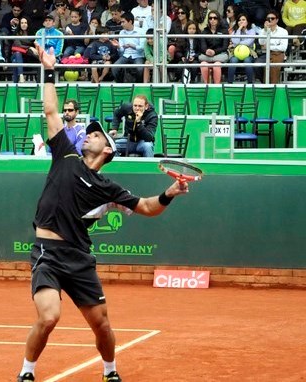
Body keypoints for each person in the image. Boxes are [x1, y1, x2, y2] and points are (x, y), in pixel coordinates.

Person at [17, 43, 190, 382]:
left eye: (94, 134)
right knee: (49, 317)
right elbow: (51, 112)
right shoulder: (65, 155)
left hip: (79, 258)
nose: (87, 135)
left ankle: (110, 371)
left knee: (102, 323)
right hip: (48, 254)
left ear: (107, 149)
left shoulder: (107, 186)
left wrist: (169, 193)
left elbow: (144, 207)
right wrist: (48, 70)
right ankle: (27, 371)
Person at [256, 10, 289, 84]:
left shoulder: (283, 31)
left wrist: (268, 47)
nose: (270, 20)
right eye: (268, 18)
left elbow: (283, 47)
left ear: (277, 20)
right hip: (265, 54)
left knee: (273, 66)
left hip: (278, 54)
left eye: (272, 18)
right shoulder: (263, 30)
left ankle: (273, 85)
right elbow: (261, 42)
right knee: (257, 65)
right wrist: (265, 30)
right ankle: (265, 83)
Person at [112, 12, 145, 83]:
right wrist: (118, 46)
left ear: (130, 21)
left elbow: (142, 48)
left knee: (140, 68)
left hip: (138, 56)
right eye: (121, 22)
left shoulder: (141, 31)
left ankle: (138, 84)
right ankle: (120, 84)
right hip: (125, 55)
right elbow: (121, 50)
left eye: (123, 22)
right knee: (114, 67)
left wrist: (132, 46)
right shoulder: (121, 32)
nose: (121, 24)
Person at [198, 10, 228, 84]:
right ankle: (206, 85)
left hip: (220, 54)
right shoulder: (204, 31)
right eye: (210, 18)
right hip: (207, 55)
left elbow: (224, 47)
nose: (212, 20)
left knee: (216, 65)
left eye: (215, 18)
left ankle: (216, 87)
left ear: (218, 19)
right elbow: (202, 47)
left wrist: (215, 52)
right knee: (203, 64)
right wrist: (206, 51)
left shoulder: (224, 31)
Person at [227, 13, 257, 84]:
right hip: (236, 53)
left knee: (247, 61)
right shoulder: (235, 32)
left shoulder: (252, 31)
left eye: (243, 20)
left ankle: (250, 83)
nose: (241, 22)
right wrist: (239, 29)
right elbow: (236, 41)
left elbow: (248, 43)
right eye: (239, 20)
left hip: (249, 54)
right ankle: (229, 83)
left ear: (247, 22)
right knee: (233, 60)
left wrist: (238, 43)